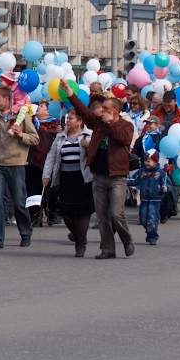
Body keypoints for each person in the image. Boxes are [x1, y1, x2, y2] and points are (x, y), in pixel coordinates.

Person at [65, 91, 135, 259]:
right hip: (99, 175)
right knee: (102, 215)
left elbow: (123, 139)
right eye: (101, 108)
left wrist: (110, 122)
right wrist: (69, 93)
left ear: (115, 110)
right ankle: (108, 249)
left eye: (106, 108)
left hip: (117, 176)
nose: (101, 111)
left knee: (116, 213)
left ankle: (127, 240)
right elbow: (82, 110)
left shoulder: (126, 125)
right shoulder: (97, 123)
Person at [0, 87, 38, 250]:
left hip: (16, 164)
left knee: (19, 203)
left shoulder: (22, 115)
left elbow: (35, 138)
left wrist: (20, 134)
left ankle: (26, 233)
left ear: (7, 99)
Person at [42, 108, 94, 257]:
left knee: (83, 212)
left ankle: (81, 244)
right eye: (67, 118)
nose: (68, 121)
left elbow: (97, 152)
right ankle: (78, 236)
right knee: (66, 213)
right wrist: (46, 175)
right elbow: (51, 157)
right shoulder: (60, 137)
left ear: (80, 121)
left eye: (71, 118)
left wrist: (88, 145)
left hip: (83, 178)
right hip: (65, 177)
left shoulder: (88, 135)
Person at [128, 153, 168, 245]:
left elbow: (167, 183)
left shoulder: (161, 173)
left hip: (155, 199)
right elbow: (135, 180)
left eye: (149, 161)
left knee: (152, 218)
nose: (146, 163)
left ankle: (152, 237)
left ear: (155, 161)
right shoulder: (142, 171)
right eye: (145, 161)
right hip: (144, 199)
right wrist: (124, 181)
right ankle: (149, 230)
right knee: (143, 218)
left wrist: (165, 188)